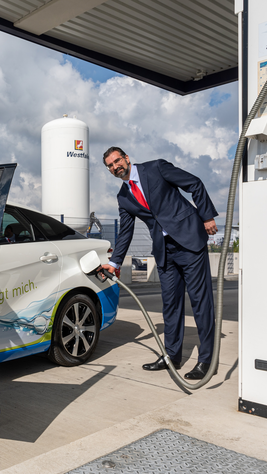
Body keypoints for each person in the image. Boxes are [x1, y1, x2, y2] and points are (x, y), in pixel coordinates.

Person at [100, 146, 218, 380]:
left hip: (189, 241)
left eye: (117, 161)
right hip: (165, 251)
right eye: (110, 166)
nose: (115, 167)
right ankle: (172, 356)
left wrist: (207, 216)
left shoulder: (155, 168)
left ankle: (207, 360)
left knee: (200, 303)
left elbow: (194, 183)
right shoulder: (123, 197)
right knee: (170, 306)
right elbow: (125, 231)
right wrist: (114, 263)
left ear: (126, 158)